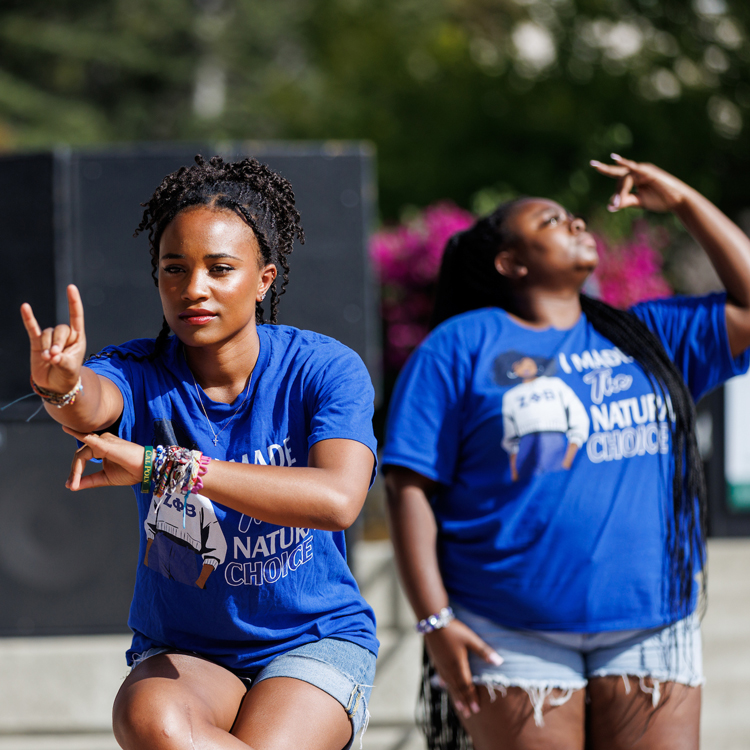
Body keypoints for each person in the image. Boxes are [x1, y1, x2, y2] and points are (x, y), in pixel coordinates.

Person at [382, 155, 750, 750]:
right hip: (509, 631)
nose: (577, 222)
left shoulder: (650, 336)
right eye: (552, 220)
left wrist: (683, 200)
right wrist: (434, 620)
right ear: (512, 261)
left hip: (652, 624)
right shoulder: (459, 346)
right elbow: (408, 486)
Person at [20, 155, 379, 750]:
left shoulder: (323, 368)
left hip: (313, 638)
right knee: (152, 723)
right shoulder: (138, 372)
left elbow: (338, 500)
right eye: (174, 269)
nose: (194, 289)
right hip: (186, 650)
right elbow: (91, 404)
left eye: (220, 269)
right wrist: (59, 384)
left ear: (264, 279)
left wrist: (165, 467)